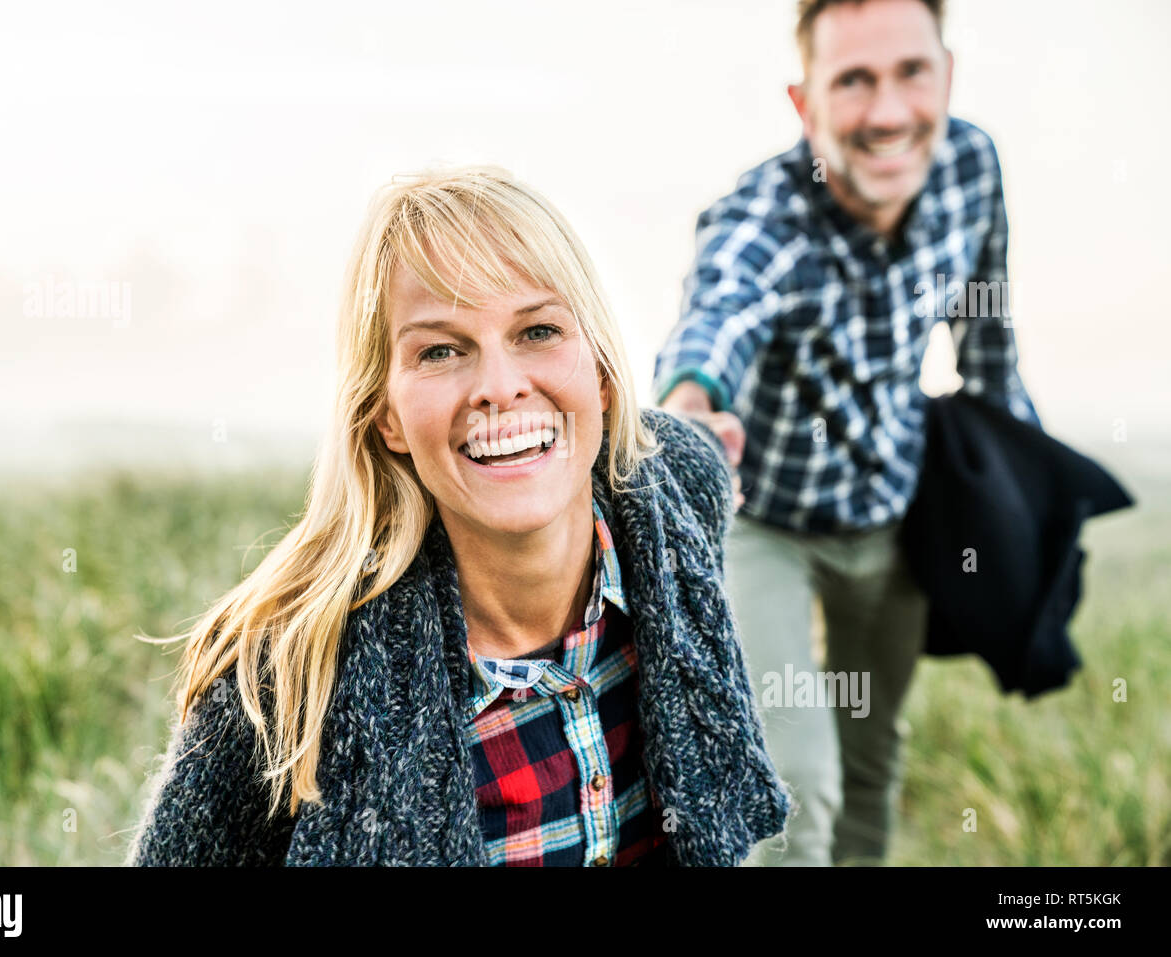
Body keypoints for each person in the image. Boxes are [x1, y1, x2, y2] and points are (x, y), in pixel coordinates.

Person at [127, 165, 790, 866]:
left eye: (537, 330)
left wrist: (709, 423)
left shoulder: (675, 487)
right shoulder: (289, 667)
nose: (500, 387)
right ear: (384, 414)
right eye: (440, 350)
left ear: (600, 373)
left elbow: (698, 445)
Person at [654, 0, 1041, 866]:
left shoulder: (971, 166)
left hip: (893, 515)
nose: (888, 112)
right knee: (797, 793)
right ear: (805, 103)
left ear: (946, 76)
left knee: (872, 762)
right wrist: (686, 405)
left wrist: (1023, 500)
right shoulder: (767, 219)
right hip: (770, 527)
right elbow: (715, 316)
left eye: (910, 73)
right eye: (853, 81)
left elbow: (989, 347)